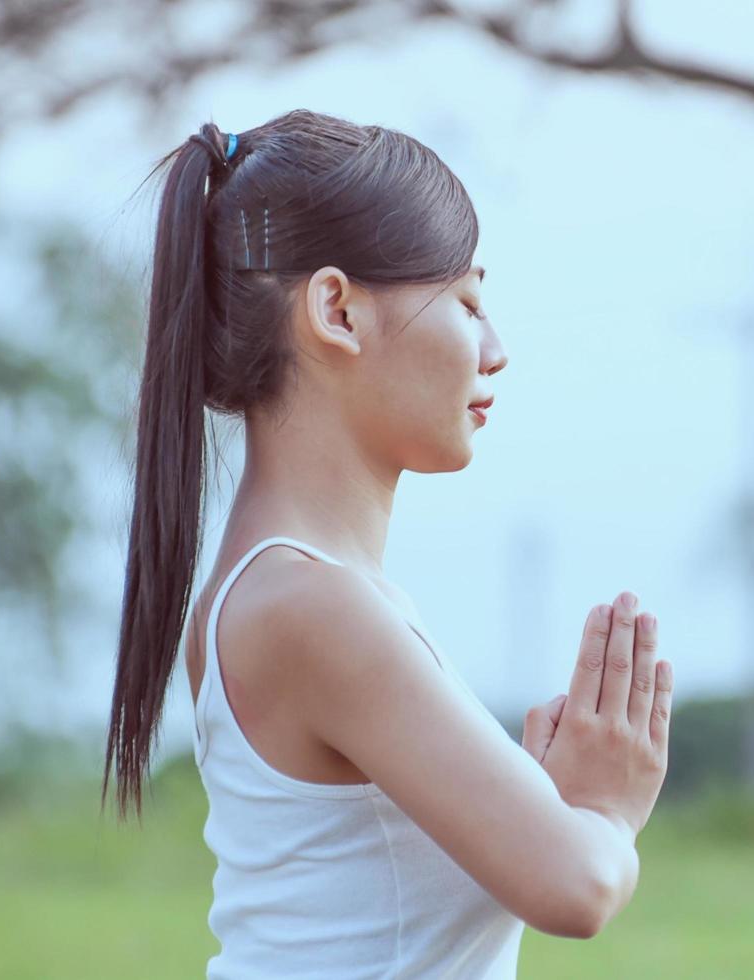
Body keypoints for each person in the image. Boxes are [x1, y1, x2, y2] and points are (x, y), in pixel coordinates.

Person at [100, 109, 674, 978]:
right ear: (336, 310)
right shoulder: (310, 607)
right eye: (469, 301)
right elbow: (576, 887)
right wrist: (603, 808)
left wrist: (536, 801)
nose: (496, 349)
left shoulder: (290, 596)